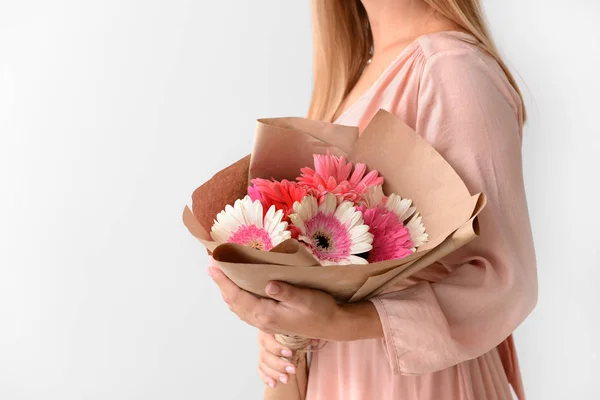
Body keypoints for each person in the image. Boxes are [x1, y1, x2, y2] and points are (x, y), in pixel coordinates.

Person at [207, 0, 538, 398]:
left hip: (419, 384)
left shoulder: (450, 68)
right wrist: (283, 323)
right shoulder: (358, 74)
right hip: (343, 375)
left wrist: (341, 321)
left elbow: (505, 281)